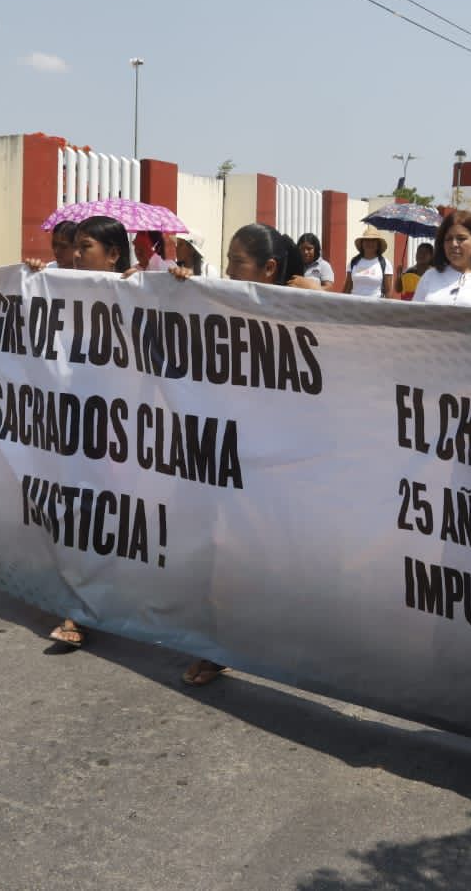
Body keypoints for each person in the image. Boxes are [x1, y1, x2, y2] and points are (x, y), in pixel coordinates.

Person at [167, 222, 309, 686]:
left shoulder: (305, 307)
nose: (227, 270)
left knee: (271, 558)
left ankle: (287, 643)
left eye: (237, 261)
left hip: (281, 461)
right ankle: (214, 647)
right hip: (228, 454)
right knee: (219, 554)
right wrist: (161, 288)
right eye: (226, 260)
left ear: (269, 268)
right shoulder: (216, 301)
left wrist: (323, 291)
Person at [45, 215, 135, 650]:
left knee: (112, 517)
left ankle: (100, 602)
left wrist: (175, 282)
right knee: (81, 514)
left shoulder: (139, 291)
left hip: (125, 428)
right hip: (76, 421)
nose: (76, 255)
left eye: (86, 247)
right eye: (74, 247)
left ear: (113, 254)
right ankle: (80, 607)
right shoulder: (61, 289)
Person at [344, 227, 395, 299]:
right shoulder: (354, 262)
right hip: (354, 305)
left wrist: (387, 308)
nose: (370, 243)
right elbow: (347, 287)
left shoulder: (385, 264)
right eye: (367, 240)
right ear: (362, 243)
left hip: (375, 307)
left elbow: (388, 291)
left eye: (373, 241)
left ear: (378, 245)